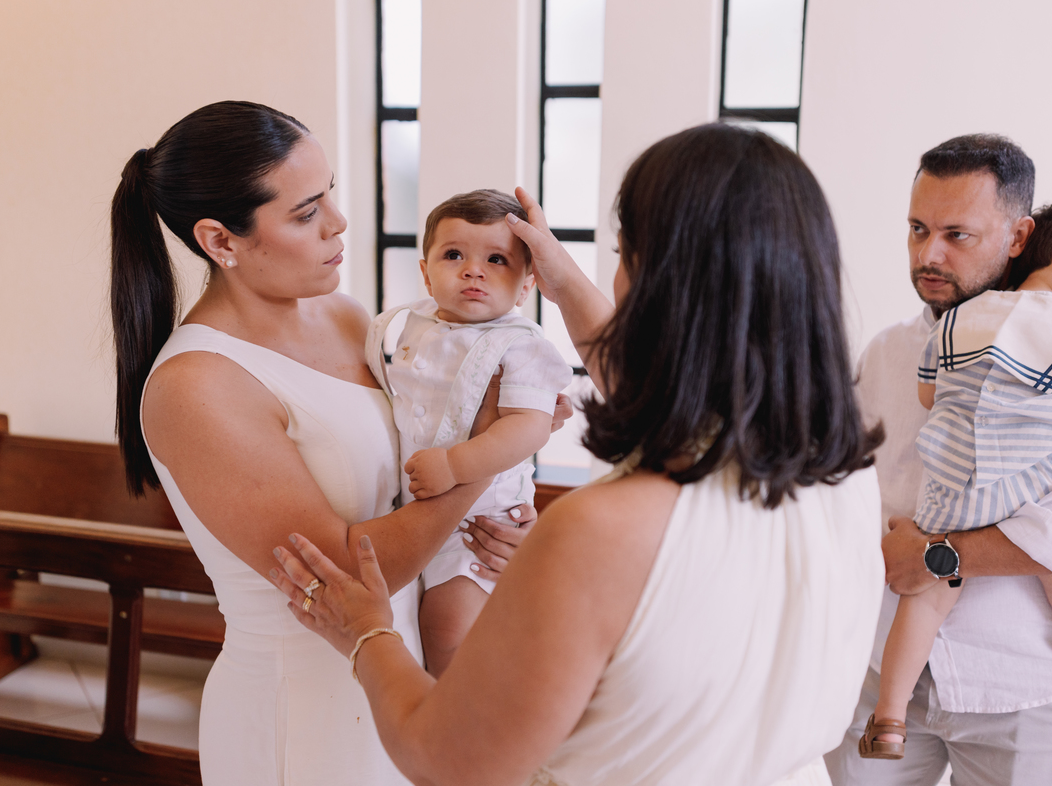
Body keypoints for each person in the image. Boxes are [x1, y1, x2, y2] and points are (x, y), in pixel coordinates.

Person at [269, 123, 887, 786]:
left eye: (621, 256)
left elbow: (447, 760)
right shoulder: (844, 481)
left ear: (652, 285)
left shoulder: (602, 530)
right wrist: (559, 281)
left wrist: (366, 632)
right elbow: (652, 377)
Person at [110, 101, 560, 785]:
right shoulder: (196, 385)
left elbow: (416, 471)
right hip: (303, 712)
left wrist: (497, 526)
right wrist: (486, 452)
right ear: (220, 240)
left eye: (330, 195)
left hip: (399, 681)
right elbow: (344, 574)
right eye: (304, 212)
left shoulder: (350, 319)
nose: (338, 223)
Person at [825, 135, 1052, 785]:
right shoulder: (890, 350)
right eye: (917, 229)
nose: (928, 254)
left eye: (957, 235)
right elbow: (846, 488)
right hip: (881, 674)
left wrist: (936, 555)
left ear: (1016, 235)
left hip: (1026, 689)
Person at [364, 189, 572, 676]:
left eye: (496, 260)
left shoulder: (521, 346)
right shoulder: (406, 328)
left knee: (448, 629)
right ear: (425, 272)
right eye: (454, 255)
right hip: (411, 511)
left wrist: (454, 466)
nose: (473, 269)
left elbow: (528, 427)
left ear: (525, 287)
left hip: (479, 523)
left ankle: (453, 721)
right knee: (416, 624)